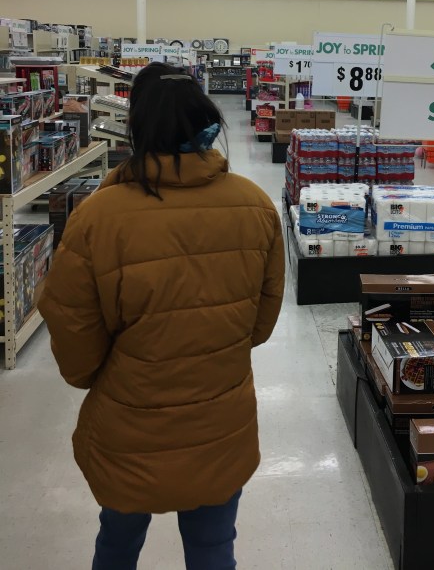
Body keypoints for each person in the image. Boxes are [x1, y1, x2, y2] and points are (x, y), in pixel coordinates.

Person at [39, 62, 285, 570]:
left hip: (131, 427)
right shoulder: (255, 206)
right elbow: (261, 324)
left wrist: (101, 374)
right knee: (213, 549)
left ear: (137, 127)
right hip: (221, 423)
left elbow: (73, 329)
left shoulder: (97, 218)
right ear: (207, 123)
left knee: (117, 543)